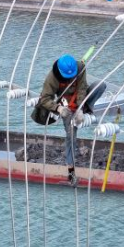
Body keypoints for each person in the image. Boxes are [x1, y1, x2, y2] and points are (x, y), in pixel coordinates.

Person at [35, 54, 106, 185]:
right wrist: (58, 108)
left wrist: (80, 107)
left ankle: (86, 109)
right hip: (65, 107)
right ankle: (71, 172)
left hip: (80, 102)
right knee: (71, 136)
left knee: (100, 85)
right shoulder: (52, 78)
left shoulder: (80, 67)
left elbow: (82, 88)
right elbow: (44, 99)